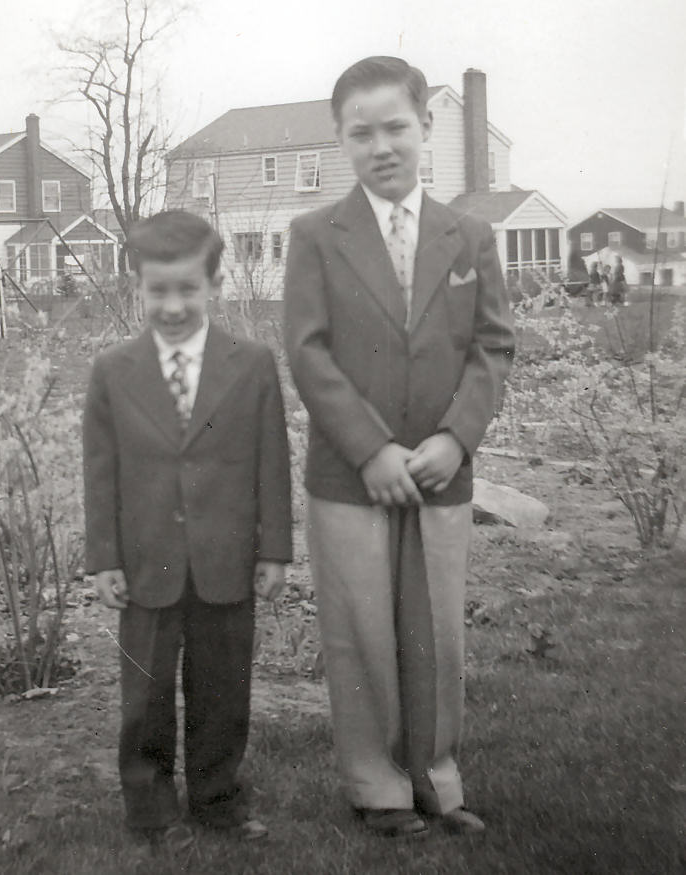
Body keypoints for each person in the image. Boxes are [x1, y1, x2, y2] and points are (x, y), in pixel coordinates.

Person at [284, 56, 515, 839]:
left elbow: (492, 347)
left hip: (443, 472)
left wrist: (457, 436)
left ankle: (437, 778)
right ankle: (376, 785)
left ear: (425, 127)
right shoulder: (315, 235)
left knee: (437, 630)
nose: (381, 146)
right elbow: (308, 352)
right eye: (361, 132)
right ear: (341, 140)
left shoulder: (470, 236)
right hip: (351, 477)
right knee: (361, 629)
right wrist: (372, 449)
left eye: (395, 127)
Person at [83, 210, 292, 858]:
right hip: (146, 562)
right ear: (135, 288)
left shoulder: (252, 363)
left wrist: (275, 549)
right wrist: (105, 559)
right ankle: (150, 804)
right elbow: (101, 471)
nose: (172, 305)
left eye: (188, 290)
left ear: (215, 285)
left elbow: (272, 462)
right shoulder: (113, 369)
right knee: (145, 696)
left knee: (223, 689)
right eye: (157, 291)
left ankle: (218, 797)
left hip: (226, 558)